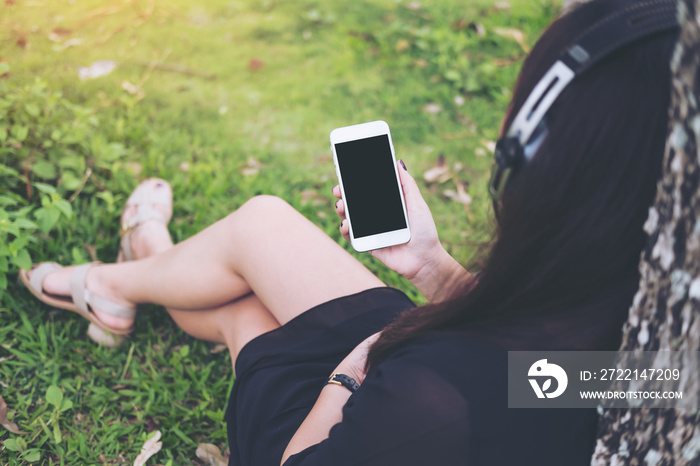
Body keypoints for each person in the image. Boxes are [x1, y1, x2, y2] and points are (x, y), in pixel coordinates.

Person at [20, 0, 677, 464]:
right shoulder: (659, 338)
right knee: (262, 227)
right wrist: (431, 266)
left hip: (341, 425)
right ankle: (133, 275)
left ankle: (127, 274)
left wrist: (352, 374)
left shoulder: (441, 394)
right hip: (412, 385)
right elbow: (540, 374)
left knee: (245, 311)